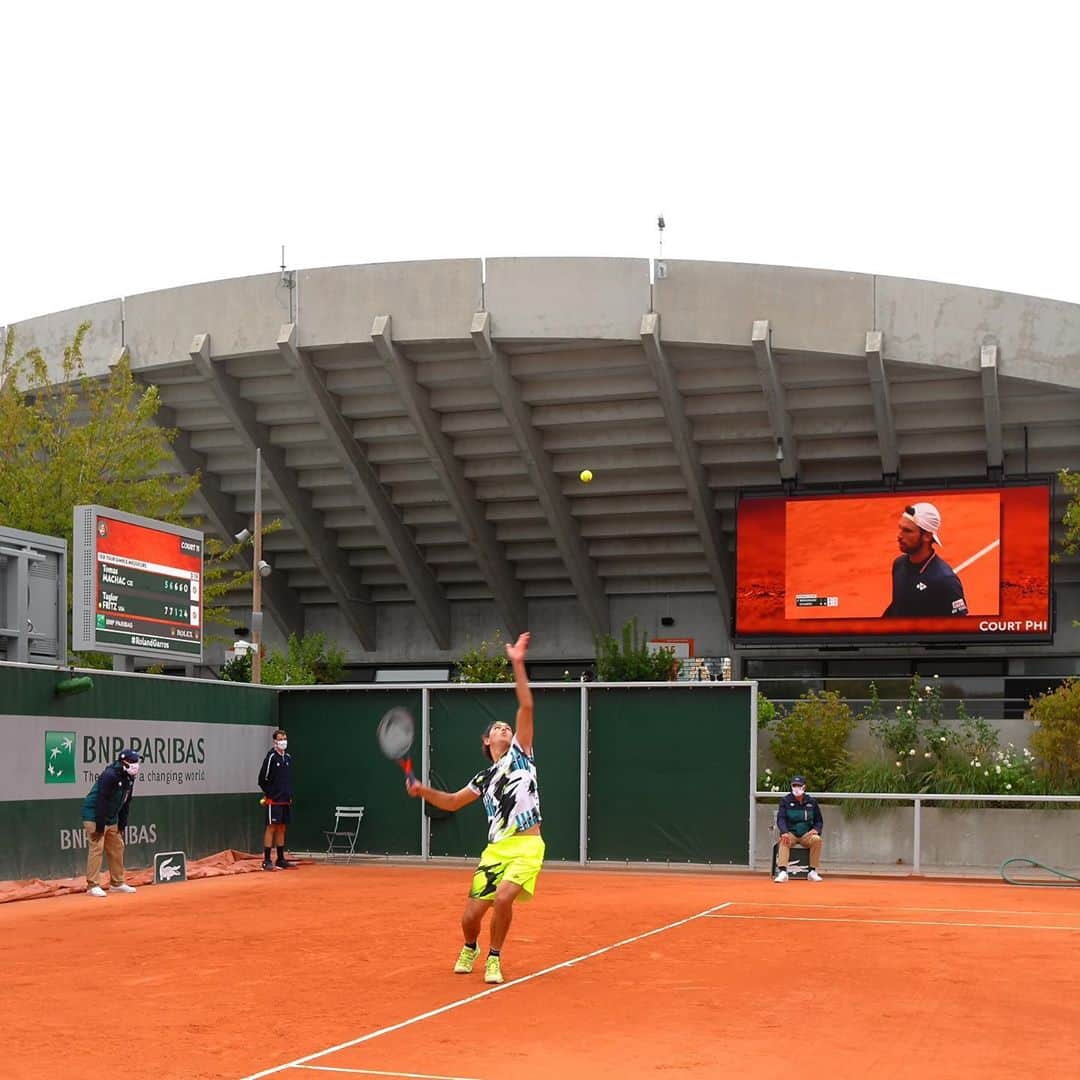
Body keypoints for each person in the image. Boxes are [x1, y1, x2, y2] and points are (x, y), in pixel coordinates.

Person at [406, 631, 543, 985]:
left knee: (504, 899)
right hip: (496, 850)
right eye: (497, 728)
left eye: (506, 727)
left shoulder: (522, 753)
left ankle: (495, 957)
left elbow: (526, 706)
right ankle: (471, 946)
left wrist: (518, 663)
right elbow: (451, 801)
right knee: (470, 916)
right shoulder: (483, 779)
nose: (504, 729)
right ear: (486, 741)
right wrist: (422, 790)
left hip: (528, 846)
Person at [883, 502, 968, 618]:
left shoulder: (945, 581)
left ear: (927, 536)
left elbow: (961, 627)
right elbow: (898, 607)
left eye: (907, 531)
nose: (899, 536)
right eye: (900, 528)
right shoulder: (899, 564)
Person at [81, 748, 141, 897]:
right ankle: (92, 886)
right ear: (123, 762)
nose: (136, 765)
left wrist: (122, 825)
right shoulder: (110, 775)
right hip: (94, 815)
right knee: (97, 847)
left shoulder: (129, 777)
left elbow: (126, 802)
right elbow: (102, 801)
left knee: (117, 847)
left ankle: (117, 883)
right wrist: (100, 826)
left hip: (111, 817)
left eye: (137, 762)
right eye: (132, 762)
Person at [774, 775, 823, 883]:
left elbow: (819, 820)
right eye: (794, 785)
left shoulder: (812, 802)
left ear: (804, 787)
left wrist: (816, 830)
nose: (796, 787)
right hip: (791, 833)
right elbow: (781, 818)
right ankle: (782, 872)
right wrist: (784, 832)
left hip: (806, 834)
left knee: (817, 840)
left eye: (799, 785)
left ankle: (812, 872)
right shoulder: (785, 801)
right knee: (784, 840)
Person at [258, 728, 294, 870]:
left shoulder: (288, 758)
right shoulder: (271, 757)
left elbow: (287, 779)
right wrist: (270, 794)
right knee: (271, 827)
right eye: (280, 739)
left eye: (284, 739)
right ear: (275, 742)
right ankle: (266, 860)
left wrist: (289, 795)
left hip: (285, 799)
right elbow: (262, 779)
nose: (283, 741)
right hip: (273, 800)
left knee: (282, 828)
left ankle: (280, 859)